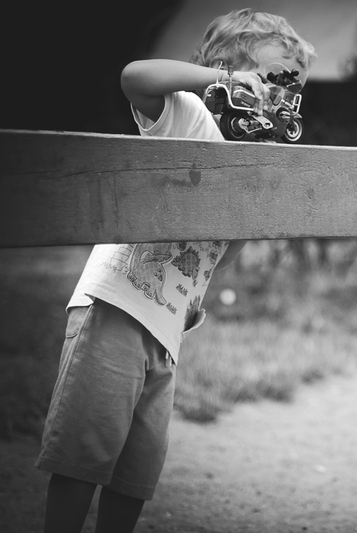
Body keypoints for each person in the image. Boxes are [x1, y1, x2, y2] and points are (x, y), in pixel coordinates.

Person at [35, 9, 316, 533]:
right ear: (230, 68)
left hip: (168, 328)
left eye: (293, 89)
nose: (281, 97)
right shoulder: (188, 116)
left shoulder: (252, 156)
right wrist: (220, 81)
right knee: (84, 455)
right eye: (272, 80)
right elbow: (134, 76)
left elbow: (225, 248)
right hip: (117, 306)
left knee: (137, 470)